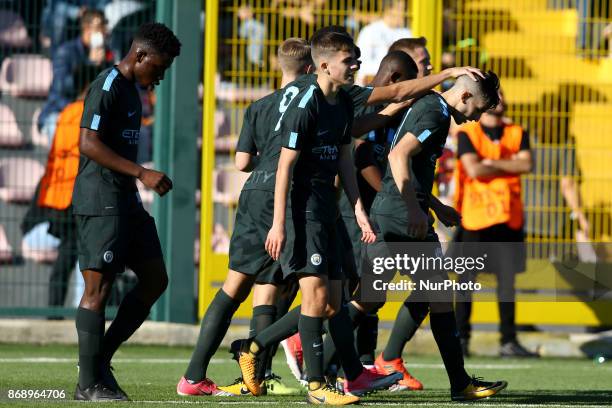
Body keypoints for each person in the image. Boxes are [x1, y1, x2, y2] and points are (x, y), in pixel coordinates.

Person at [348, 71, 509, 401]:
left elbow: (409, 166)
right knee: (429, 293)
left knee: (372, 298)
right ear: (464, 96)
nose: (478, 118)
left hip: (393, 213)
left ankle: (282, 344)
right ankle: (460, 383)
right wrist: (415, 208)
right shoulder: (435, 112)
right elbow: (398, 156)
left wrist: (434, 205)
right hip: (401, 218)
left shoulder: (433, 107)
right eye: (478, 109)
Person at [176, 38, 315, 398]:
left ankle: (205, 375)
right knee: (279, 286)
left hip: (254, 192)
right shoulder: (311, 100)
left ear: (279, 66)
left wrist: (264, 163)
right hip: (283, 195)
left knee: (241, 284)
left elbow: (240, 162)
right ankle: (256, 372)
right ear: (312, 68)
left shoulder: (259, 106)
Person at [72, 22, 180, 401]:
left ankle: (99, 361)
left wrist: (138, 179)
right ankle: (88, 384)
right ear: (140, 56)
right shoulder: (108, 86)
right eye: (159, 68)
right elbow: (87, 142)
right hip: (100, 200)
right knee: (97, 289)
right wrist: (142, 172)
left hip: (125, 202)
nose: (161, 77)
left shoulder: (134, 90)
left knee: (155, 279)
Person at [453, 93, 538, 358]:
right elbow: (473, 170)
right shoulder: (469, 132)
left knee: (507, 283)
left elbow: (526, 164)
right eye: (495, 95)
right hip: (475, 217)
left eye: (502, 95)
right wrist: (507, 166)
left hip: (507, 217)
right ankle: (461, 339)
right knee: (465, 282)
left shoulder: (516, 132)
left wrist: (490, 163)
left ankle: (508, 341)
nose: (501, 99)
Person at [38, 64, 104, 310]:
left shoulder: (68, 112)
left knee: (69, 258)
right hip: (76, 197)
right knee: (76, 257)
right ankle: (64, 310)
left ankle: (57, 309)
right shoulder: (82, 113)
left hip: (65, 196)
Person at [39, 8, 114, 145]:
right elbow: (62, 87)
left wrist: (102, 66)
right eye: (99, 27)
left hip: (90, 115)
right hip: (61, 110)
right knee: (58, 128)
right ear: (86, 29)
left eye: (104, 26)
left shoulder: (106, 55)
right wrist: (89, 65)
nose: (103, 32)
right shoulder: (66, 52)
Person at [355, 0, 412, 84]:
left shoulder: (407, 33)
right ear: (389, 10)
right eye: (401, 9)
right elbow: (362, 62)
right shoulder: (370, 31)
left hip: (398, 84)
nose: (405, 13)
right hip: (371, 85)